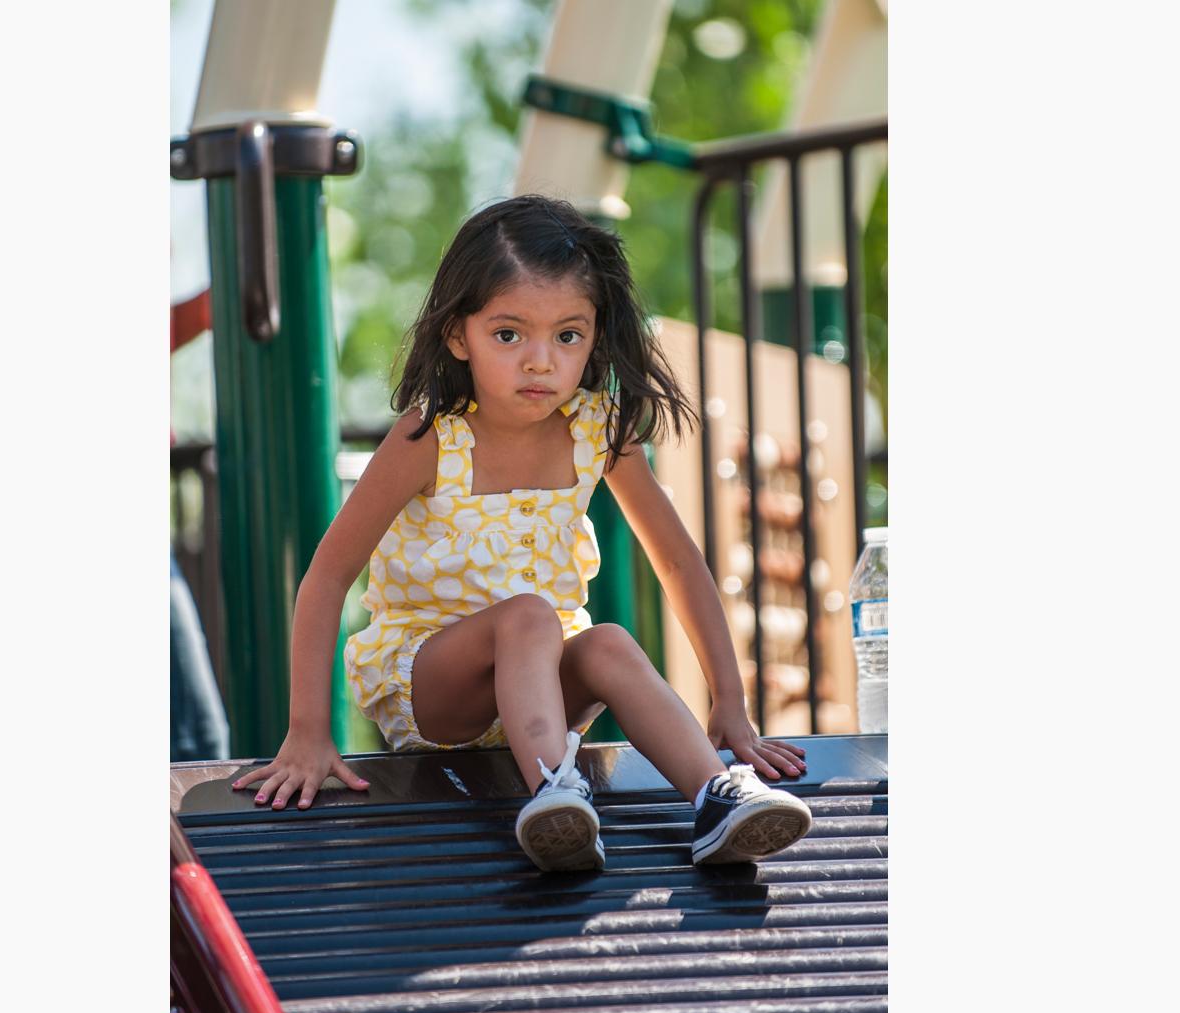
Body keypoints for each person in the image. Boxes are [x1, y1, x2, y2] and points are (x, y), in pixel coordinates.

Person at [232, 194, 812, 872]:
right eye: (509, 335)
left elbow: (679, 562)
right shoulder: (432, 435)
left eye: (567, 335)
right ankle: (555, 799)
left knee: (608, 642)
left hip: (538, 693)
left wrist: (731, 704)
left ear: (594, 336)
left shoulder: (599, 430)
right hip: (433, 689)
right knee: (532, 617)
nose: (541, 362)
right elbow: (328, 575)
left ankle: (714, 795)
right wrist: (307, 731)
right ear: (459, 336)